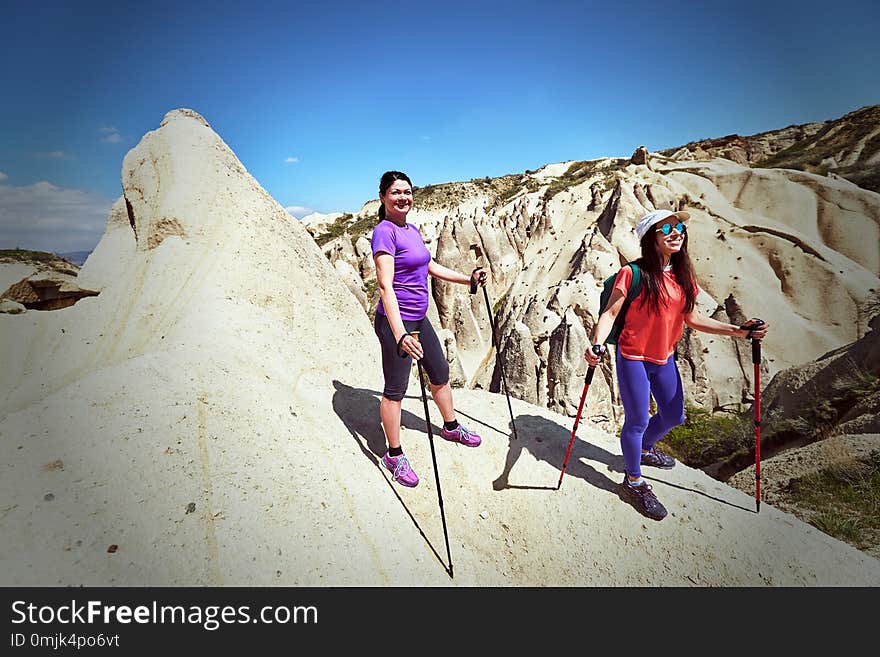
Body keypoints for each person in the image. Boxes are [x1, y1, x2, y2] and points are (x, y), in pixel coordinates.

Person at [585, 209, 769, 520]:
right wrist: (596, 344)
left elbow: (693, 319)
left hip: (664, 357)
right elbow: (610, 315)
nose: (676, 232)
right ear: (651, 238)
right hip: (633, 357)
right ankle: (633, 480)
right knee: (638, 419)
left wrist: (739, 331)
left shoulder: (684, 278)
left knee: (674, 415)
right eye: (667, 228)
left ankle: (643, 449)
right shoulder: (633, 274)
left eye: (679, 226)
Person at [371, 171, 488, 487]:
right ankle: (393, 454)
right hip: (397, 323)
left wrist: (468, 279)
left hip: (420, 320)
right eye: (396, 192)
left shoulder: (411, 229)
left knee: (439, 373)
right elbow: (385, 286)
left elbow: (429, 266)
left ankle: (450, 426)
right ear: (383, 197)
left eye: (407, 192)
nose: (403, 198)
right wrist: (400, 334)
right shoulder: (384, 233)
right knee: (395, 390)